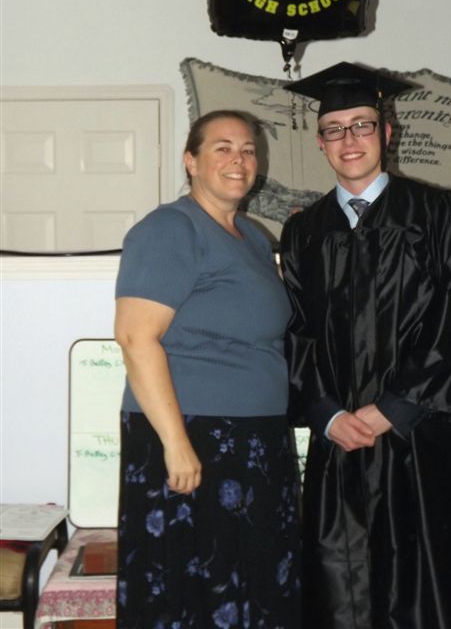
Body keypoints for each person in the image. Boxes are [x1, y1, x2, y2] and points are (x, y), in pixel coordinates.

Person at [280, 63, 451, 629]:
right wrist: (326, 415)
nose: (349, 139)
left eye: (362, 125)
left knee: (426, 587)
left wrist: (394, 408)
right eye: (334, 129)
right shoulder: (303, 232)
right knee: (338, 587)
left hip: (418, 438)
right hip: (339, 443)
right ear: (320, 141)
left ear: (387, 132)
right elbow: (295, 331)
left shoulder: (440, 215)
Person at [114, 110, 301, 629]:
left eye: (248, 150)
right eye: (222, 148)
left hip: (256, 440)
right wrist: (175, 443)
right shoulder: (170, 228)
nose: (239, 160)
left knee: (257, 584)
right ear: (190, 161)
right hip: (193, 434)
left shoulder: (253, 238)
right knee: (192, 590)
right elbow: (135, 337)